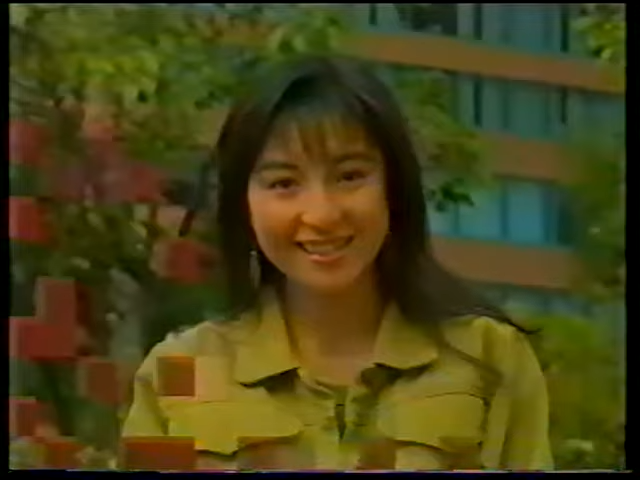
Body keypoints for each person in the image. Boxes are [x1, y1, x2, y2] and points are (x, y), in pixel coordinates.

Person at [121, 56, 553, 471]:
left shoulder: (491, 358)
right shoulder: (178, 369)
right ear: (243, 203)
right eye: (283, 183)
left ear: (394, 186)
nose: (322, 214)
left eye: (350, 176)